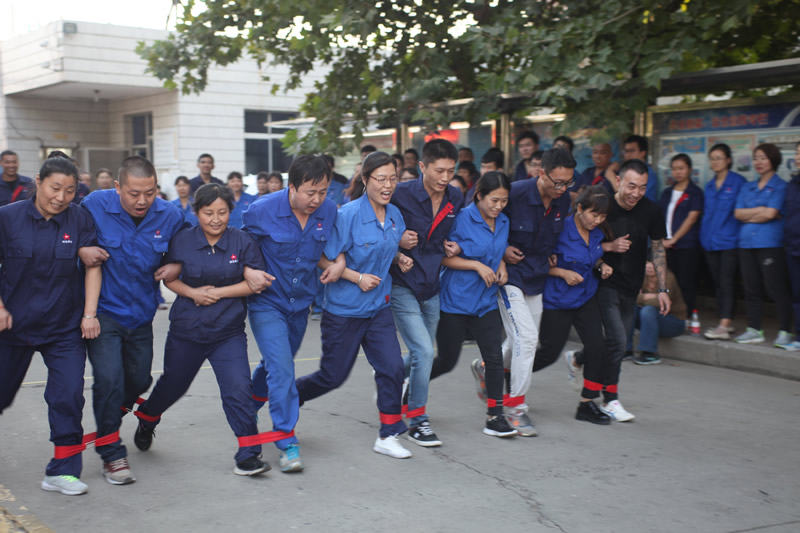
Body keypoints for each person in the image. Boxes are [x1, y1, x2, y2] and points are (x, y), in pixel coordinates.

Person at [133, 184, 271, 476]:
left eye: (222, 212)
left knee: (238, 389)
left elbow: (255, 283)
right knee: (173, 386)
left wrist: (218, 293)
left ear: (230, 212)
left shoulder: (242, 241)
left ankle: (248, 454)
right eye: (208, 213)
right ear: (196, 213)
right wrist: (192, 293)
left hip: (227, 332)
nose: (216, 219)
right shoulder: (181, 240)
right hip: (187, 331)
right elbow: (167, 277)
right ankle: (148, 416)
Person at [295, 151, 415, 459]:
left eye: (393, 179)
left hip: (378, 308)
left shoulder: (395, 215)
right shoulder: (346, 215)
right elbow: (324, 257)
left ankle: (388, 434)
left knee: (391, 368)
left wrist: (399, 257)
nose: (388, 185)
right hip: (345, 311)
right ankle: (291, 395)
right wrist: (356, 276)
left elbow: (386, 247)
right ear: (365, 180)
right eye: (381, 179)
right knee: (332, 376)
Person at [0, 156, 102, 496]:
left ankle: (62, 471)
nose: (61, 197)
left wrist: (89, 314)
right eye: (55, 188)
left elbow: (93, 265)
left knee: (69, 394)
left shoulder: (80, 218)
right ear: (39, 183)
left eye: (70, 191)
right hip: (13, 326)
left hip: (63, 327)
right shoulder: (8, 217)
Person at [81, 156, 185, 485]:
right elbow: (68, 235)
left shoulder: (170, 215)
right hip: (104, 313)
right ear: (116, 188)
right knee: (109, 379)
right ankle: (112, 453)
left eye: (150, 193)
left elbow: (187, 251)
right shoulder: (95, 205)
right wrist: (80, 250)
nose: (142, 201)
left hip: (141, 314)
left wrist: (176, 266)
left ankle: (113, 411)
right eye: (133, 193)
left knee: (140, 380)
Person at [245, 155, 337, 472]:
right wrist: (247, 272)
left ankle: (251, 403)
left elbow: (325, 252)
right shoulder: (260, 210)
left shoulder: (329, 210)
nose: (316, 200)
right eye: (310, 192)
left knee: (275, 364)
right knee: (282, 369)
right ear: (292, 186)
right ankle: (286, 440)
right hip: (267, 301)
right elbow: (238, 248)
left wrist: (335, 264)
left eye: (323, 192)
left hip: (302, 302)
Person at [478, 148, 574, 437]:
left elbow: (554, 234)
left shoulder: (563, 199)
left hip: (537, 277)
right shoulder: (515, 193)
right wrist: (500, 253)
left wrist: (555, 254)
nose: (562, 188)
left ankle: (485, 367)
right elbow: (485, 219)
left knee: (521, 339)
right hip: (509, 276)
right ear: (540, 172)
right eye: (556, 181)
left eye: (567, 182)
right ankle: (515, 409)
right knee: (527, 338)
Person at [574, 159, 671, 413]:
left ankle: (578, 358)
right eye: (631, 186)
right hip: (603, 283)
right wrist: (606, 252)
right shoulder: (602, 205)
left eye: (642, 187)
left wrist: (663, 289)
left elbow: (658, 247)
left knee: (618, 340)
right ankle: (609, 398)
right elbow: (582, 239)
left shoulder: (652, 210)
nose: (636, 193)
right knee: (618, 341)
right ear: (617, 181)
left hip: (632, 286)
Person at [430, 172, 517, 438]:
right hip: (455, 301)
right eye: (494, 200)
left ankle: (495, 416)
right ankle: (406, 388)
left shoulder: (503, 221)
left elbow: (496, 249)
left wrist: (501, 265)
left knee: (493, 359)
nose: (499, 206)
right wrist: (476, 265)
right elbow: (442, 258)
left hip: (486, 301)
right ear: (479, 196)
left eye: (503, 201)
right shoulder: (460, 219)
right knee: (446, 361)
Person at [390, 139, 463, 447]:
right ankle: (418, 419)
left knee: (423, 354)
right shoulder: (400, 193)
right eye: (439, 171)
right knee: (424, 352)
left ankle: (388, 374)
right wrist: (396, 245)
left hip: (433, 284)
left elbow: (452, 234)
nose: (445, 178)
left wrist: (457, 246)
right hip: (402, 283)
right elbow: (372, 223)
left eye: (450, 171)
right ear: (422, 167)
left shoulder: (456, 197)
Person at [532, 186, 614, 424]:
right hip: (557, 299)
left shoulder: (597, 232)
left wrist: (601, 266)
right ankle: (504, 376)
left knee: (598, 346)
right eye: (593, 214)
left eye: (602, 217)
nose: (597, 221)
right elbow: (540, 263)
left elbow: (593, 255)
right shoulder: (559, 229)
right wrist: (563, 273)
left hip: (585, 296)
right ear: (579, 209)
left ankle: (587, 403)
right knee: (548, 353)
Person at [734, 143, 793, 348]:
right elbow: (738, 213)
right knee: (750, 288)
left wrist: (755, 213)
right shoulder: (747, 186)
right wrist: (760, 210)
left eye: (763, 158)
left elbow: (771, 213)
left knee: (775, 288)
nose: (758, 162)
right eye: (756, 158)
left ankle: (785, 331)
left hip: (769, 243)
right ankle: (753, 329)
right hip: (746, 243)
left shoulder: (781, 186)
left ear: (773, 160)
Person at [701, 144, 746, 340]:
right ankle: (724, 321)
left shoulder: (738, 182)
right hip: (710, 242)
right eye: (713, 158)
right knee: (718, 283)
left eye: (719, 158)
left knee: (727, 283)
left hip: (729, 242)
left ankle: (724, 324)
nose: (715, 162)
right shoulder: (709, 186)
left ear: (728, 160)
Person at [658, 153, 703, 317]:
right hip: (666, 245)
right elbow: (660, 217)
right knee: (667, 281)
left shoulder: (695, 192)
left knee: (686, 283)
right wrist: (662, 239)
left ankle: (688, 316)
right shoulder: (667, 192)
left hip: (686, 245)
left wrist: (674, 239)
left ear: (690, 170)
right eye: (674, 169)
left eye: (681, 168)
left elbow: (692, 218)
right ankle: (669, 314)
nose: (677, 172)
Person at [631, 261, 687, 364]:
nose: (649, 266)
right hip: (651, 318)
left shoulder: (668, 278)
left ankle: (650, 354)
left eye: (653, 263)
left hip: (673, 321)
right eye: (647, 263)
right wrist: (650, 296)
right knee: (632, 309)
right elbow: (631, 297)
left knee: (647, 310)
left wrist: (642, 298)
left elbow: (662, 303)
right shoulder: (642, 277)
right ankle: (626, 349)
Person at [785, 141, 800, 351]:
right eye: (797, 153)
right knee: (797, 294)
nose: (798, 157)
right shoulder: (793, 183)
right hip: (793, 246)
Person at [619, 135, 659, 202]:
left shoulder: (649, 174)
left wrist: (610, 175)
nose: (628, 155)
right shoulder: (624, 171)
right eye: (626, 151)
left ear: (643, 153)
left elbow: (633, 199)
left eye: (631, 151)